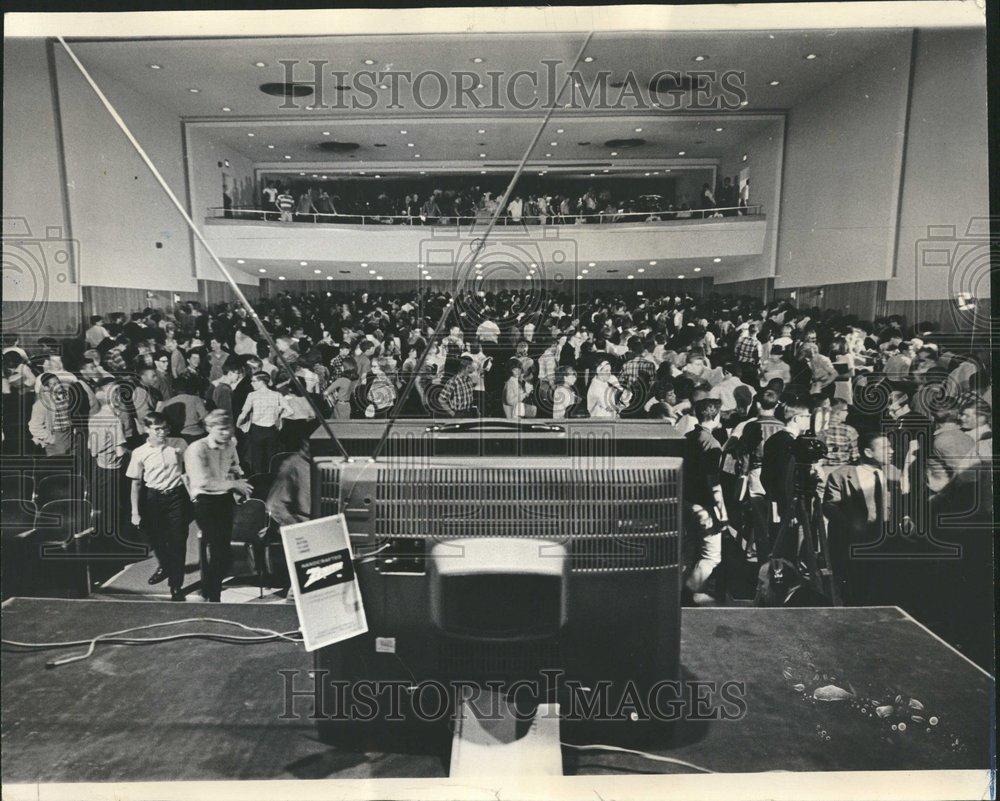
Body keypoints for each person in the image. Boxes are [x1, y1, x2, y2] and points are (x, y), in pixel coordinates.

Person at [822, 431, 902, 605]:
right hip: (854, 542)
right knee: (854, 590)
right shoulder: (841, 475)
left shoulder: (895, 474)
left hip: (885, 541)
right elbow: (829, 506)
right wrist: (851, 526)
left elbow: (902, 504)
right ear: (868, 452)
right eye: (885, 447)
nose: (891, 451)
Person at [184, 410, 253, 602]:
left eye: (228, 429)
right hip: (205, 501)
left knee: (223, 552)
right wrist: (234, 484)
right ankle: (212, 596)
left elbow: (233, 466)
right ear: (209, 428)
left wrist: (238, 480)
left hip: (224, 499)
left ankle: (210, 589)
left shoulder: (231, 443)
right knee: (218, 550)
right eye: (221, 430)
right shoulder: (196, 449)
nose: (226, 433)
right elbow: (202, 482)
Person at [126, 412, 190, 601]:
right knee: (157, 540)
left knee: (178, 541)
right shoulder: (139, 452)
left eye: (165, 428)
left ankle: (176, 585)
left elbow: (191, 467)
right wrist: (135, 512)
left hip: (177, 497)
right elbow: (136, 484)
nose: (162, 432)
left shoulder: (179, 444)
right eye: (157, 429)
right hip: (152, 499)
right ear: (147, 429)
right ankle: (165, 565)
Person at [682, 397, 727, 603]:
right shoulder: (712, 444)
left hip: (686, 501)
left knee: (691, 549)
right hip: (704, 505)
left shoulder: (689, 437)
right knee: (711, 555)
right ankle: (690, 592)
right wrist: (722, 512)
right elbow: (713, 482)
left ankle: (683, 588)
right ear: (716, 416)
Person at [237, 371, 284, 474]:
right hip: (272, 430)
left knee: (257, 459)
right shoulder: (276, 395)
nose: (251, 383)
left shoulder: (252, 395)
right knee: (271, 457)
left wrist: (238, 425)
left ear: (262, 382)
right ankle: (271, 480)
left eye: (254, 381)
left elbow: (243, 414)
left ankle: (258, 481)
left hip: (257, 430)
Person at [29, 373, 76, 456]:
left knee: (73, 464)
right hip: (56, 437)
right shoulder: (41, 404)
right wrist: (51, 439)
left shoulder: (66, 397)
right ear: (46, 387)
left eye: (58, 382)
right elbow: (34, 427)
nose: (58, 386)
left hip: (70, 435)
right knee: (60, 465)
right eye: (54, 384)